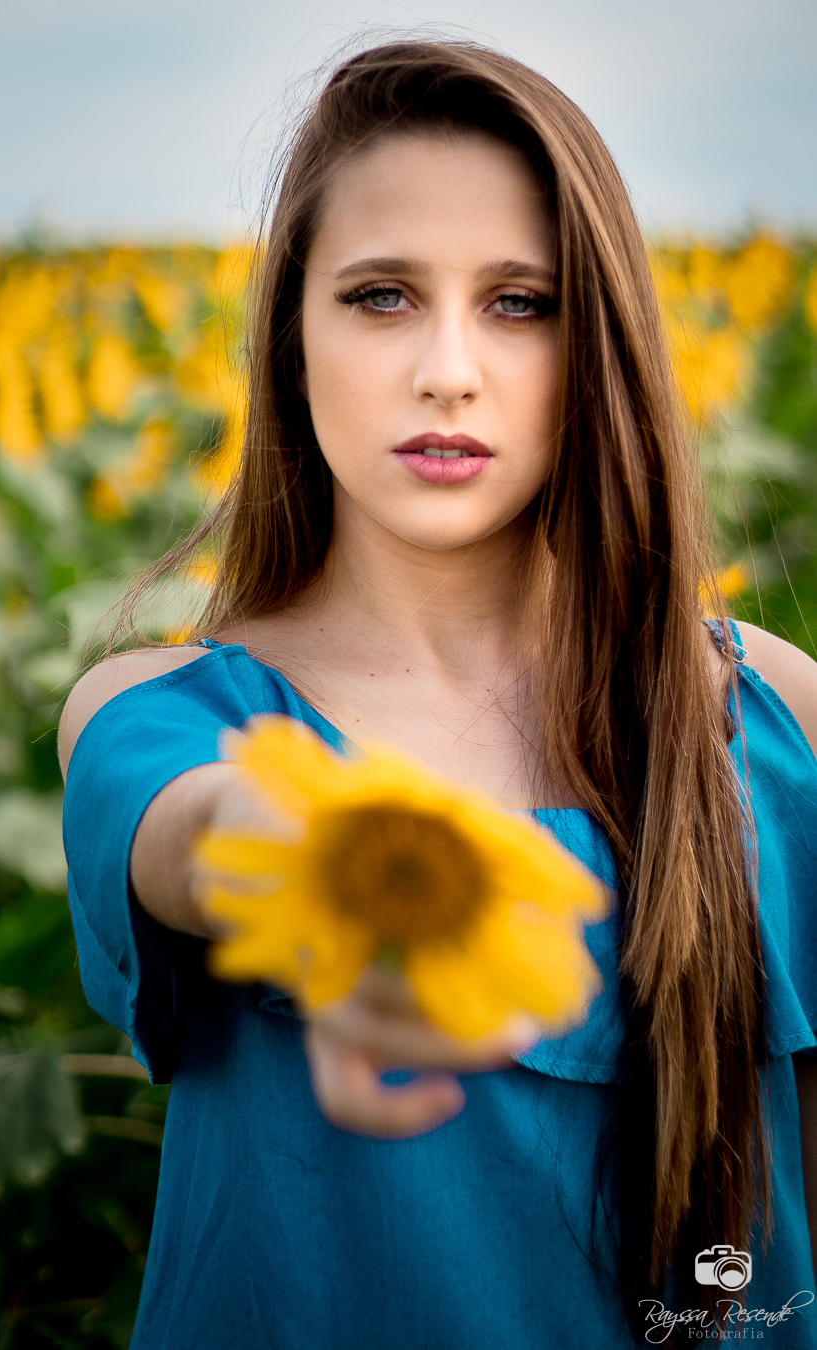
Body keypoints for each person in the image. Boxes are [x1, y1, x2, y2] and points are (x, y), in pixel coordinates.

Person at [58, 41, 817, 1349]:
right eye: (382, 296)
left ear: (601, 344)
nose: (448, 369)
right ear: (292, 331)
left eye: (521, 301)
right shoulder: (163, 709)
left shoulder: (774, 716)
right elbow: (215, 830)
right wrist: (353, 877)